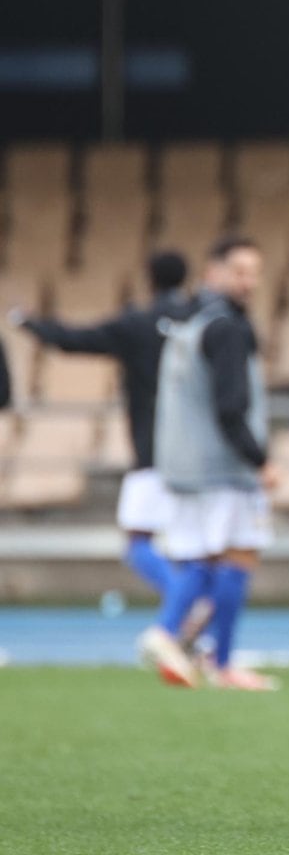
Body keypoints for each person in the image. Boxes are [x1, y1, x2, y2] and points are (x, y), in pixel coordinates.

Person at [16, 249, 195, 609]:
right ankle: (190, 611)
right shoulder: (202, 321)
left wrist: (27, 322)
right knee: (194, 544)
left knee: (139, 542)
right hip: (199, 452)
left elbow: (72, 339)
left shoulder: (137, 324)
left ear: (151, 279)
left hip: (153, 450)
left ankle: (184, 602)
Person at [142, 237, 276, 691]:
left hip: (187, 466)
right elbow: (231, 406)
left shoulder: (190, 323)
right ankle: (183, 641)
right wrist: (259, 460)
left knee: (204, 557)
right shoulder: (227, 329)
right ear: (213, 272)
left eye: (254, 272)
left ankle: (197, 649)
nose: (249, 282)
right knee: (236, 555)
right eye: (239, 271)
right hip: (222, 468)